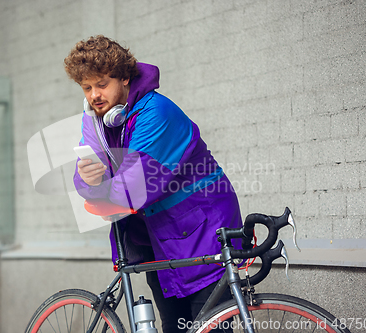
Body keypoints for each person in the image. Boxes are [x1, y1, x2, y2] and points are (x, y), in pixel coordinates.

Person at [64, 35, 241, 333]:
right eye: (86, 87)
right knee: (174, 325)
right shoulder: (96, 119)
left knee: (208, 327)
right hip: (158, 235)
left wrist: (99, 191)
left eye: (102, 84)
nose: (94, 95)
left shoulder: (156, 113)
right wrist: (86, 178)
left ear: (124, 77)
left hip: (202, 230)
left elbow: (134, 189)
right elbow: (85, 180)